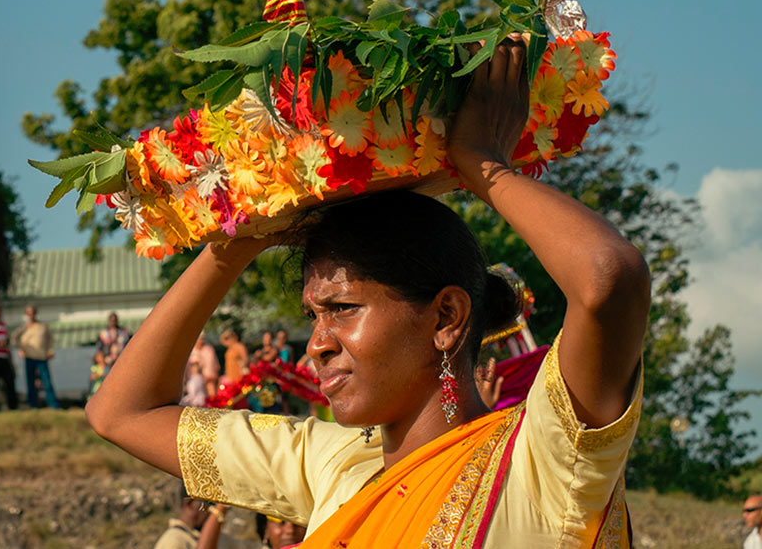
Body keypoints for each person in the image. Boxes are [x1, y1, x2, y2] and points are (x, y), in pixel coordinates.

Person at [85, 38, 650, 547]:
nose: (316, 344)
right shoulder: (334, 464)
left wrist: (482, 162)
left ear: (446, 317)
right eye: (312, 315)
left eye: (342, 309)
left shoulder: (542, 459)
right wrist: (236, 240)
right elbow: (122, 413)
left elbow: (609, 279)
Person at [153, 479, 226, 549]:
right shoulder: (174, 540)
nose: (210, 512)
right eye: (208, 505)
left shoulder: (192, 537)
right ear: (190, 503)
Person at [13, 305, 59, 409]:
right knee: (31, 383)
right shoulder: (23, 328)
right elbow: (14, 339)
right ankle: (33, 405)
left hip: (42, 357)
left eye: (32, 313)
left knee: (46, 382)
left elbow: (50, 340)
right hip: (29, 357)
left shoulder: (43, 326)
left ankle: (53, 405)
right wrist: (21, 349)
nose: (31, 315)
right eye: (28, 313)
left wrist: (50, 351)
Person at [190, 334, 220, 400]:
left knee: (212, 396)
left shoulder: (209, 349)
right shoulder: (192, 351)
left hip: (210, 378)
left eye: (203, 339)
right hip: (196, 380)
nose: (201, 341)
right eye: (200, 339)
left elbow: (215, 365)